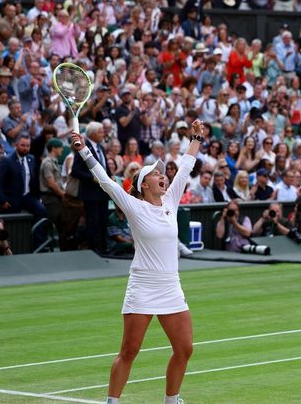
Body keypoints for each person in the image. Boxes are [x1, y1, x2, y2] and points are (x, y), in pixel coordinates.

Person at [69, 119, 204, 404]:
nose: (162, 176)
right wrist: (83, 150)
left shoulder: (171, 201)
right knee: (129, 351)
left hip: (171, 287)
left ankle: (171, 400)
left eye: (162, 173)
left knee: (185, 348)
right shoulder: (134, 205)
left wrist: (196, 137)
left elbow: (187, 165)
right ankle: (112, 401)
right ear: (143, 185)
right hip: (142, 287)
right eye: (155, 174)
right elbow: (105, 181)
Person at [71, 122, 111, 253]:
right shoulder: (83, 148)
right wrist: (92, 178)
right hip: (91, 193)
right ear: (92, 134)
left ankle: (104, 249)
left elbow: (105, 167)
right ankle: (94, 250)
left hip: (103, 192)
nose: (103, 134)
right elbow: (75, 171)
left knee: (103, 221)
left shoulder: (101, 148)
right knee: (93, 222)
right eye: (100, 131)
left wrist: (111, 176)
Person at [39, 138, 66, 238]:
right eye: (60, 148)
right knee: (51, 223)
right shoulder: (48, 163)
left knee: (60, 224)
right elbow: (51, 183)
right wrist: (62, 194)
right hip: (50, 198)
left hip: (55, 197)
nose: (62, 150)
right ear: (54, 148)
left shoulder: (54, 161)